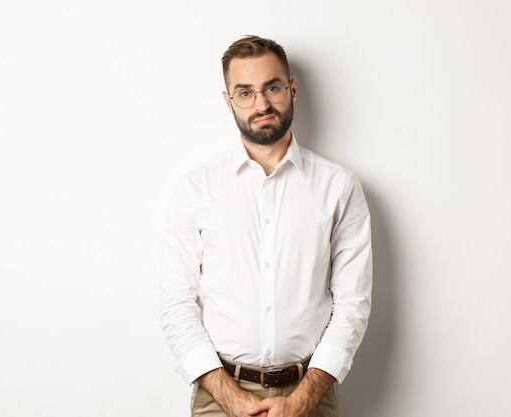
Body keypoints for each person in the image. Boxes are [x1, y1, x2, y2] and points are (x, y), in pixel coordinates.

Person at [159, 35, 373, 417]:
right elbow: (178, 305)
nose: (261, 104)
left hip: (311, 390)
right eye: (245, 93)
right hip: (219, 394)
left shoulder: (339, 187)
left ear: (291, 89)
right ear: (228, 102)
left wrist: (303, 399)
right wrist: (232, 398)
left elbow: (352, 304)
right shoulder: (196, 189)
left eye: (272, 87)